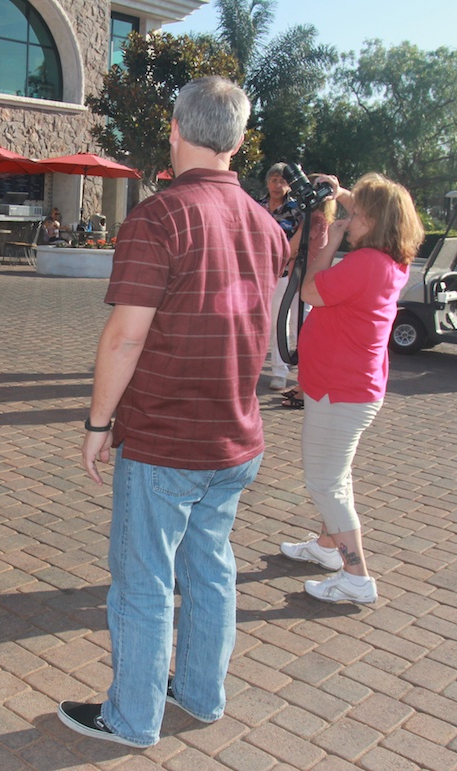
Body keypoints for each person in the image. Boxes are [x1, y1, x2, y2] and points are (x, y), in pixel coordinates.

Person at [57, 76, 288, 748]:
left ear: (175, 130)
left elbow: (127, 336)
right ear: (240, 141)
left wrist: (99, 424)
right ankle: (199, 691)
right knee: (211, 568)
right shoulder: (268, 226)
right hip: (235, 438)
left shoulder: (159, 217)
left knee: (143, 582)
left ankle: (132, 716)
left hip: (165, 439)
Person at [279, 173, 424, 604]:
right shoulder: (392, 262)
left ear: (374, 222)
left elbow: (308, 289)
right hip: (352, 388)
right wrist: (341, 193)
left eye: (357, 214)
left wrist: (331, 240)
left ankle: (356, 577)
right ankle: (327, 547)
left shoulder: (364, 264)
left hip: (340, 391)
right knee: (336, 478)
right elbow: (366, 208)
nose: (349, 216)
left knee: (324, 482)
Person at [278, 175, 337, 409]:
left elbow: (290, 249)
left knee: (303, 335)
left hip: (304, 282)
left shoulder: (315, 219)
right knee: (301, 333)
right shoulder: (319, 219)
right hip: (303, 281)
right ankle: (303, 385)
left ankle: (306, 388)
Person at [260, 162, 304, 391]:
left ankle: (279, 372)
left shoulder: (297, 211)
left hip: (282, 275)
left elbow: (299, 245)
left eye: (283, 181)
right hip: (256, 275)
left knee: (280, 323)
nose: (278, 185)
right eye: (274, 180)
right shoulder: (256, 206)